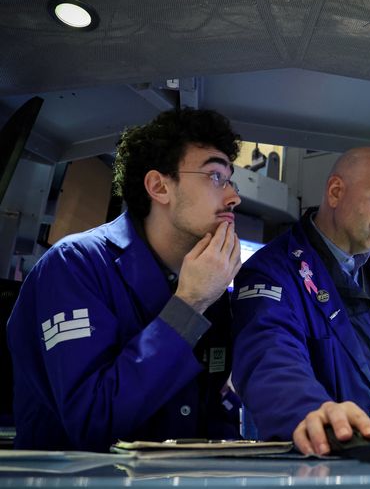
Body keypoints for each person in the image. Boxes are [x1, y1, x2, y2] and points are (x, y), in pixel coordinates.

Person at [6, 108, 243, 451]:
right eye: (215, 177)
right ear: (159, 187)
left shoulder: (209, 281)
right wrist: (190, 303)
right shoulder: (74, 266)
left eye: (230, 180)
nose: (234, 196)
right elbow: (93, 421)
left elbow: (208, 410)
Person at [232, 147, 370, 456]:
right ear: (335, 192)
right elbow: (267, 355)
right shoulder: (271, 271)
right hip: (320, 464)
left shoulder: (367, 269)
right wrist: (308, 412)